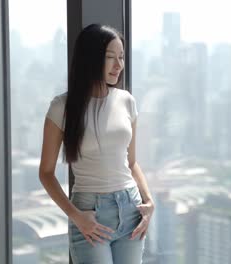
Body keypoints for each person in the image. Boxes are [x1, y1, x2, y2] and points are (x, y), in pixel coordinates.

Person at [39, 23, 155, 264]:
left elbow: (131, 162)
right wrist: (76, 216)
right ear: (90, 59)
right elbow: (46, 173)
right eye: (110, 57)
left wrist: (148, 201)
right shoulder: (62, 107)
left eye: (121, 57)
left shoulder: (126, 101)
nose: (118, 65)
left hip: (130, 209)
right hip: (90, 213)